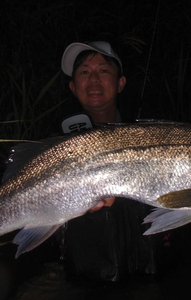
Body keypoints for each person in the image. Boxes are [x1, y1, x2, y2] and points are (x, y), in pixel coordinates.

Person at [59, 41, 162, 282]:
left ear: (120, 83)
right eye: (84, 71)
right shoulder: (52, 147)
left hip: (154, 282)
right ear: (73, 87)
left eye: (103, 70)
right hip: (84, 288)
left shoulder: (151, 139)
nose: (93, 79)